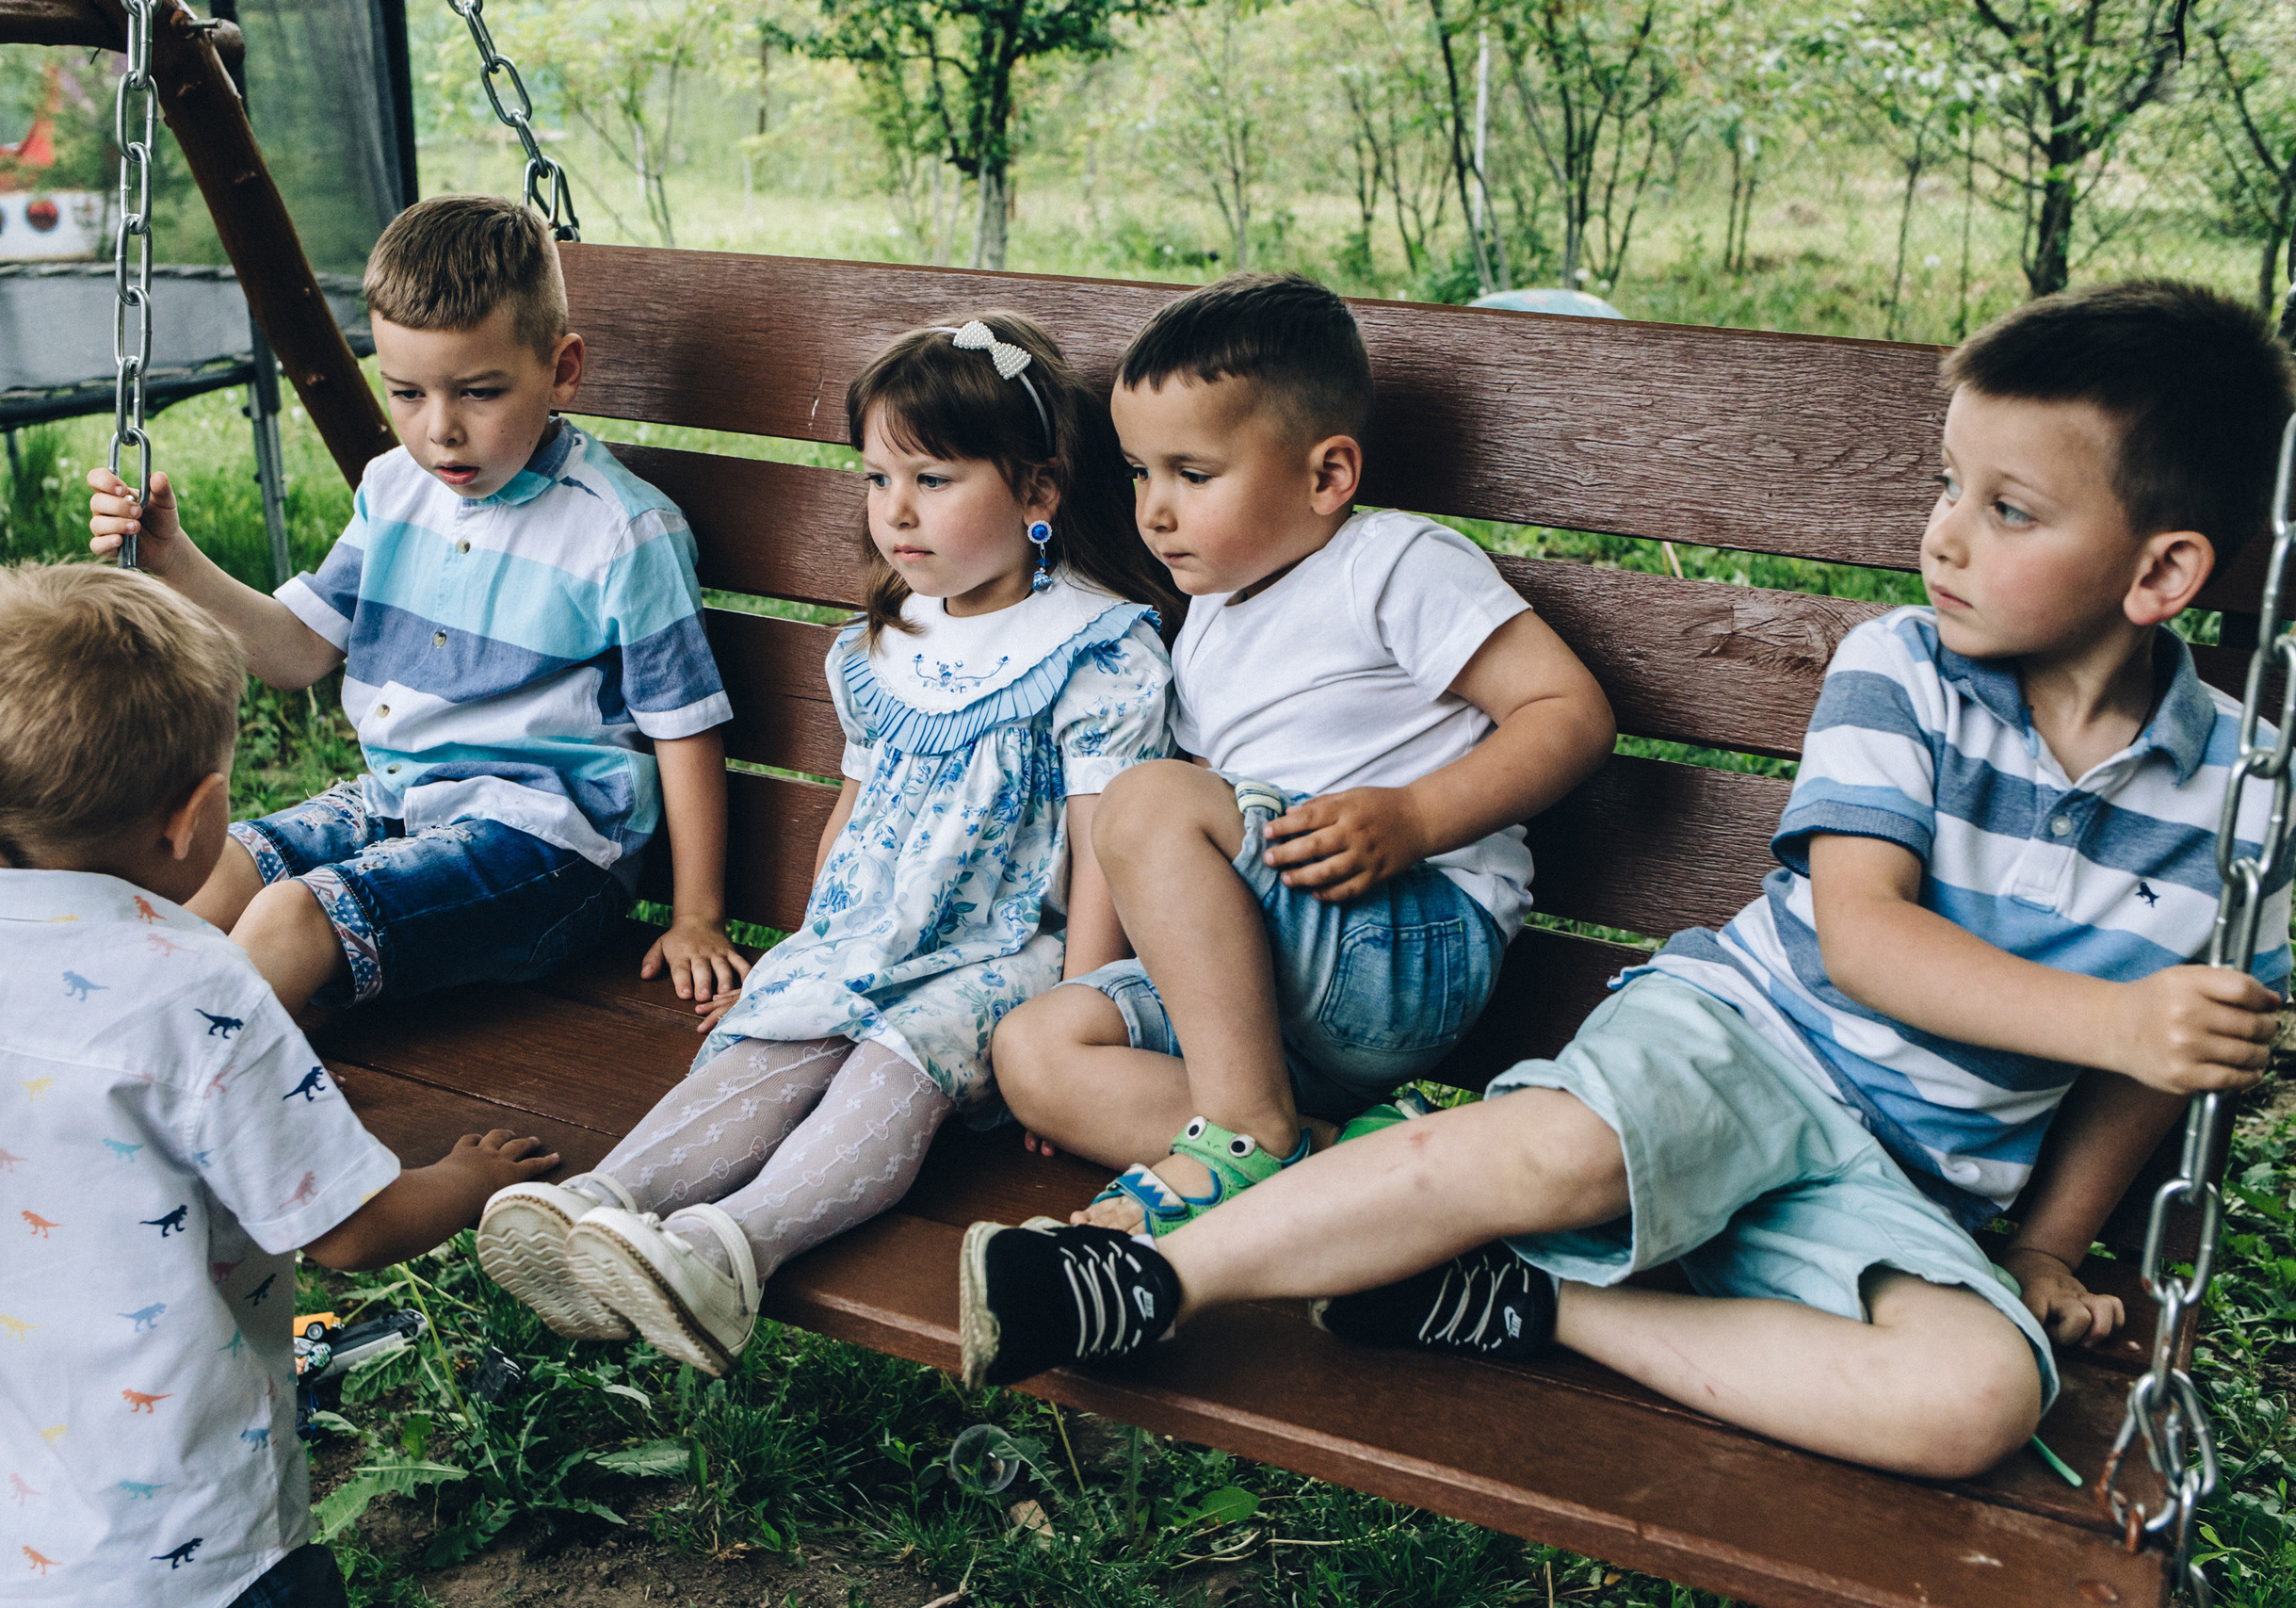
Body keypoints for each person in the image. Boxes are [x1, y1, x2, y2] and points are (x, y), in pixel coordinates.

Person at [957, 280, 2296, 1482]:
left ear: (2164, 569)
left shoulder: (2243, 805)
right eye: (1947, 486)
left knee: (1978, 1394)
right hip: (1745, 1045)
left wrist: (2053, 1237)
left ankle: (1533, 1301)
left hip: (1907, 1181)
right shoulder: (1908, 674)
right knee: (1557, 1147)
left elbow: (2154, 1060)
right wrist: (2117, 1019)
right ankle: (1145, 1279)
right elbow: (1868, 940)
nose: (1943, 536)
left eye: (2005, 509)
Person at [476, 313, 1183, 1375]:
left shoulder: (1092, 652)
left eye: (933, 480)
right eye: (874, 480)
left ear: (1038, 494)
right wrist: (808, 952)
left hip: (1006, 961)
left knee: (891, 1066)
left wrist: (1081, 1033)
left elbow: (1105, 858)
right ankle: (599, 1210)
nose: (895, 513)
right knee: (777, 1039)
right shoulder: (887, 639)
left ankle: (730, 1252)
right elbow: (855, 816)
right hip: (868, 934)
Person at [0, 561, 561, 1607]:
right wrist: (465, 1177)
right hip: (190, 1554)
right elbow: (344, 1228)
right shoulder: (196, 984)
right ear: (194, 818)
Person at [988, 272, 1614, 1232]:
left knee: (1150, 796)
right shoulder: (1205, 622)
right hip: (1267, 982)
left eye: (1191, 476)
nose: (1154, 510)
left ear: (1326, 477)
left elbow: (1567, 711)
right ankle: (1365, 1163)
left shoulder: (1390, 563)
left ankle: (1243, 1131)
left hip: (1402, 936)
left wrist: (1414, 818)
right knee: (1034, 1049)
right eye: (1139, 473)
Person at [83, 194, 742, 1016]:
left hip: (547, 852)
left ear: (562, 369)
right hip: (398, 801)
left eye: (479, 392)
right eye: (406, 394)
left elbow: (686, 729)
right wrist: (173, 558)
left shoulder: (620, 532)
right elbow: (297, 652)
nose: (440, 432)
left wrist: (696, 916)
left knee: (291, 915)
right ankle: (84, 1056)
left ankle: (179, 1100)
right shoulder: (394, 489)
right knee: (221, 875)